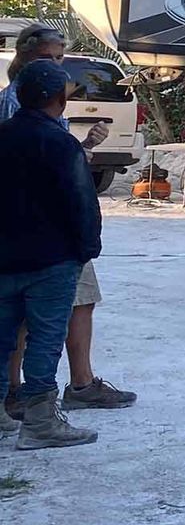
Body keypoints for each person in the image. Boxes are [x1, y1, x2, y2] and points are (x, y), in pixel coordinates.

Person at [1, 26, 130, 416]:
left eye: (60, 57)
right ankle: (30, 403)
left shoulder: (24, 122)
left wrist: (84, 146)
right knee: (40, 330)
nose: (58, 65)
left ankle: (68, 387)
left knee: (39, 319)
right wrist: (86, 246)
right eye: (50, 58)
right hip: (51, 246)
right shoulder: (22, 109)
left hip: (25, 243)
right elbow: (73, 192)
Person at [0, 59, 105, 448]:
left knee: (4, 337)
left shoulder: (3, 135)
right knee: (45, 338)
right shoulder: (61, 144)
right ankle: (40, 421)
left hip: (5, 258)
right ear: (60, 100)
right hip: (52, 259)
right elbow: (82, 202)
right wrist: (86, 249)